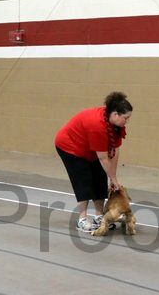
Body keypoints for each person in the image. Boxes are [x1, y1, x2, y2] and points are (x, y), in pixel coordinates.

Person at [55, 92, 132, 233]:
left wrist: (112, 178)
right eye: (125, 118)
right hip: (71, 147)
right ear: (115, 114)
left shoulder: (116, 126)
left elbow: (114, 151)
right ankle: (82, 219)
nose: (127, 121)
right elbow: (103, 158)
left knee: (100, 178)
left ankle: (98, 216)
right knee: (83, 180)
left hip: (91, 149)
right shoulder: (97, 125)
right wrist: (114, 179)